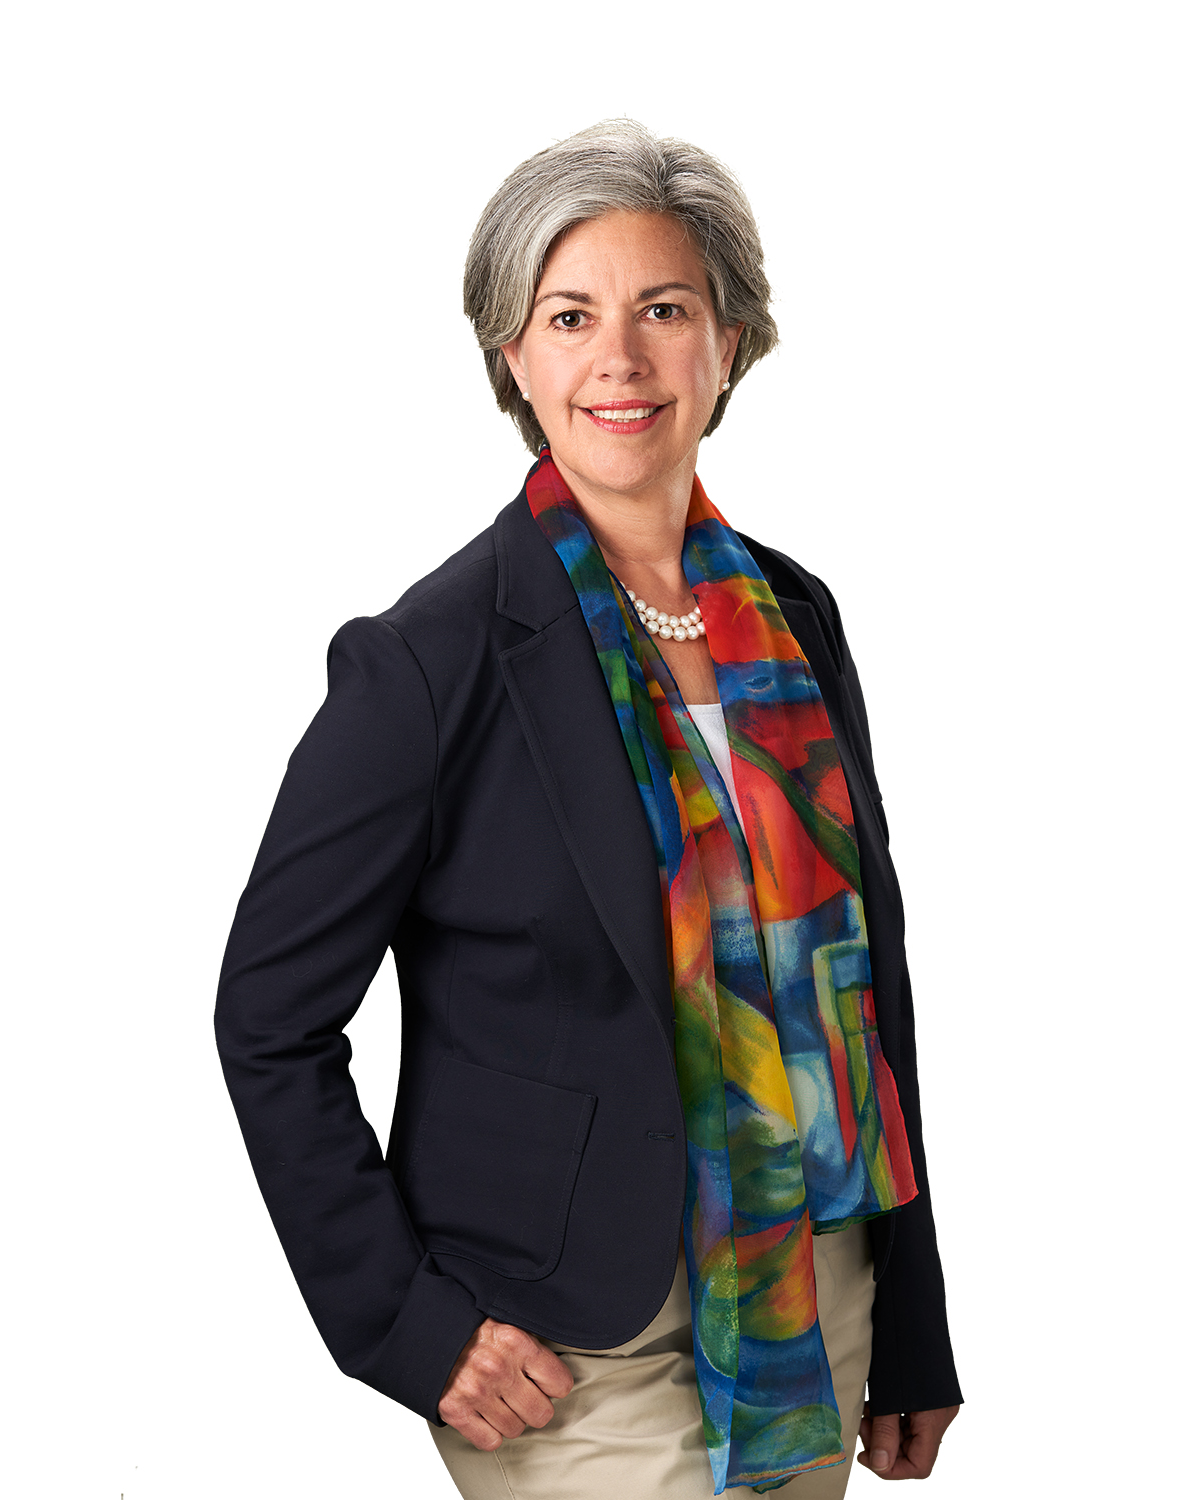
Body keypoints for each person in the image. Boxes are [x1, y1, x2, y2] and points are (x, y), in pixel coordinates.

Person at [215, 120, 962, 1499]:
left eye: (663, 310)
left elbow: (872, 984)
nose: (619, 357)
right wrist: (404, 1321)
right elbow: (267, 1018)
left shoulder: (795, 618)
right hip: (574, 1341)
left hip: (821, 1290)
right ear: (515, 355)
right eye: (570, 317)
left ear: (729, 344)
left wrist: (914, 1315)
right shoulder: (428, 661)